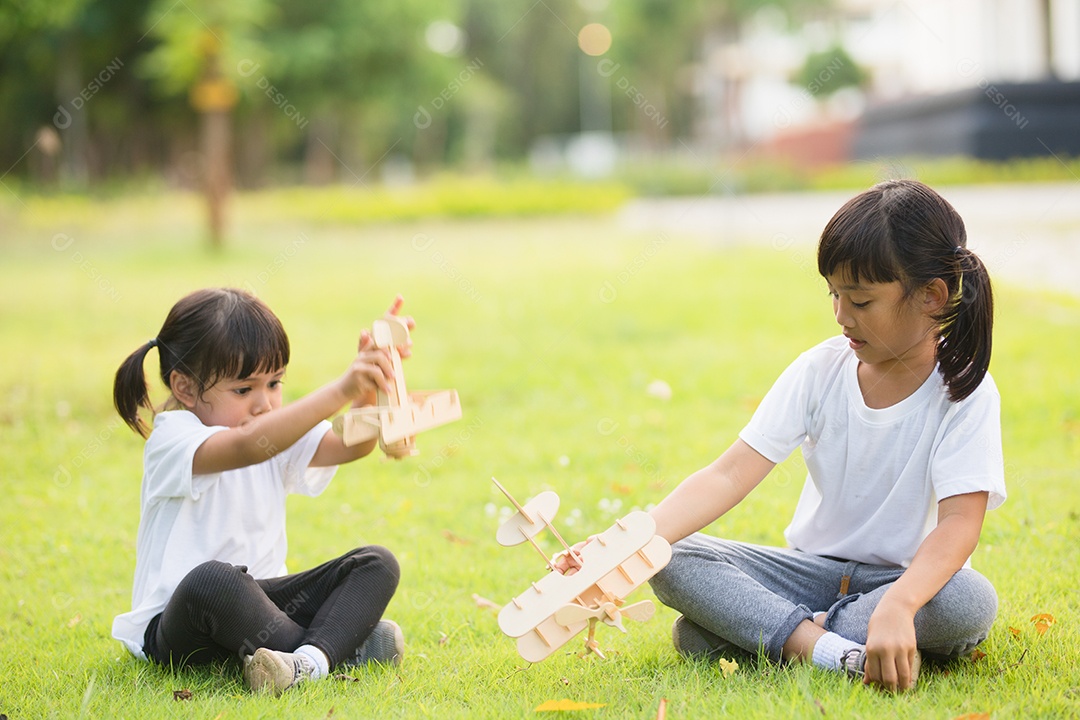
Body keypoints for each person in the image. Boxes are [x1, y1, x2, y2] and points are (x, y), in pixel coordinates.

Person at [567, 180, 1004, 692]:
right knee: (671, 556)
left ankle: (775, 635)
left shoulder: (964, 390)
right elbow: (728, 475)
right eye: (834, 295)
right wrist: (623, 546)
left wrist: (900, 605)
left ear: (932, 296)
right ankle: (830, 648)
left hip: (904, 582)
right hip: (807, 571)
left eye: (861, 301)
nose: (841, 316)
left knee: (969, 602)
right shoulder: (819, 371)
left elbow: (958, 525)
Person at [112, 288, 413, 696]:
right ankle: (341, 644)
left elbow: (349, 446)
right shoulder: (174, 438)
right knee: (213, 580)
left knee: (376, 563)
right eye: (244, 390)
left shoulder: (274, 429)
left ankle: (308, 662)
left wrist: (366, 391)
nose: (264, 404)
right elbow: (246, 446)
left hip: (264, 609)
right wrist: (340, 388)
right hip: (183, 623)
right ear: (184, 387)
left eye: (274, 384)